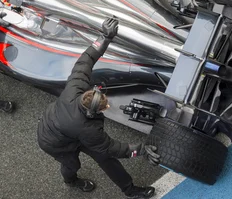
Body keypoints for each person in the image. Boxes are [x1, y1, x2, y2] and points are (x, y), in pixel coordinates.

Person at [37, 17, 160, 198]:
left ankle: (130, 191)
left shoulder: (75, 87)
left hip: (64, 123)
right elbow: (113, 148)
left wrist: (105, 37)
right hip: (54, 142)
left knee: (105, 159)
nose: (108, 105)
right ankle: (70, 181)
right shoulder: (88, 130)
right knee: (72, 165)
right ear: (90, 112)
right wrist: (141, 150)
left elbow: (86, 60)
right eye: (104, 107)